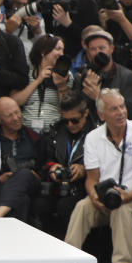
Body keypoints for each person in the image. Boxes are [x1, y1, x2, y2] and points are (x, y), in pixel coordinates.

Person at [65, 88, 132, 263]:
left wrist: (128, 195)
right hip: (104, 197)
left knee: (122, 209)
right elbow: (92, 178)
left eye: (123, 106)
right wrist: (94, 197)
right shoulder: (93, 137)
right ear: (102, 114)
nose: (121, 112)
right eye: (114, 109)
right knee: (82, 207)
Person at [44, 90, 96, 237]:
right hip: (58, 186)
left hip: (83, 188)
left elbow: (107, 165)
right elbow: (46, 160)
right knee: (40, 204)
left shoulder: (97, 133)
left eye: (74, 120)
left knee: (65, 206)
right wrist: (52, 167)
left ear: (85, 113)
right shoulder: (56, 130)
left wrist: (85, 169)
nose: (70, 124)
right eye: (66, 120)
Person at [0, 96, 46, 220]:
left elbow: (44, 168)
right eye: (9, 115)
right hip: (2, 187)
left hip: (31, 184)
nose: (15, 118)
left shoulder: (34, 138)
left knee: (24, 174)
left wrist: (38, 175)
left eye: (17, 112)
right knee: (21, 200)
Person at [11, 34, 72, 133]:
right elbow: (15, 102)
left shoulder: (66, 75)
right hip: (27, 132)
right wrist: (38, 80)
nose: (61, 54)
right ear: (43, 51)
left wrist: (61, 86)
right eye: (58, 49)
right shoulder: (26, 74)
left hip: (54, 132)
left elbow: (68, 108)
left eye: (63, 50)